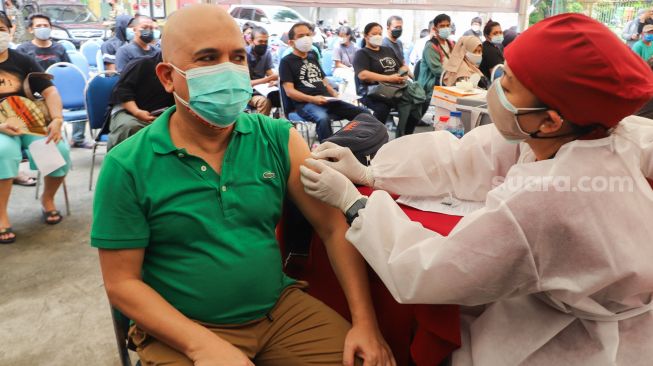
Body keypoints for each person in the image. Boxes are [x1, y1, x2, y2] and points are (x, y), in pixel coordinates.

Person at [301, 13, 653, 366]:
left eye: (510, 84)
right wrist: (372, 173)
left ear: (550, 120)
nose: (496, 88)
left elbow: (431, 271)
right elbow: (464, 158)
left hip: (574, 344)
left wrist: (353, 205)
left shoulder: (546, 200)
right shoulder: (598, 134)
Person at [91, 5, 394, 366]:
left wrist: (365, 324)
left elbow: (331, 227)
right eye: (208, 58)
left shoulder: (278, 139)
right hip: (184, 327)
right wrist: (202, 346)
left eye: (236, 57)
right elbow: (122, 283)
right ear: (168, 77)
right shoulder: (128, 165)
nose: (229, 70)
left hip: (277, 312)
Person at [0, 12, 71, 244]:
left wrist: (57, 119)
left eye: (1, 28)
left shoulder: (22, 60)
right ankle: (1, 215)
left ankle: (47, 199)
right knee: (3, 152)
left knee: (57, 149)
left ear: (10, 31)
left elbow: (49, 91)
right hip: (1, 127)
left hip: (29, 122)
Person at [279, 22, 368, 142]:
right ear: (291, 42)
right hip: (306, 104)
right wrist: (313, 99)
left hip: (328, 100)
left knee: (363, 113)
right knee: (323, 119)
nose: (306, 38)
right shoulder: (286, 62)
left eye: (308, 34)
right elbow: (290, 92)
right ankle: (327, 154)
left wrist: (336, 95)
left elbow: (324, 80)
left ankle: (358, 144)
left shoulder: (312, 56)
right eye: (301, 36)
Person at [353, 22, 423, 137]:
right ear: (366, 36)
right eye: (374, 34)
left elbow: (403, 66)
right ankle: (373, 137)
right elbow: (363, 75)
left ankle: (405, 134)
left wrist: (402, 74)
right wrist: (389, 78)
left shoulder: (387, 50)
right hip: (373, 91)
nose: (378, 36)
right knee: (382, 109)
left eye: (380, 33)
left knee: (417, 101)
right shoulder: (362, 54)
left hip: (395, 87)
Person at [106, 52, 174, 150]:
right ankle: (120, 163)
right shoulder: (141, 63)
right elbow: (121, 92)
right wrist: (137, 111)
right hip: (128, 111)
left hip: (161, 115)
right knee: (130, 127)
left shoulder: (183, 69)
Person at [417, 14, 454, 97]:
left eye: (447, 25)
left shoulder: (450, 44)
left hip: (446, 80)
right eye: (442, 26)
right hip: (432, 84)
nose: (445, 28)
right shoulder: (431, 46)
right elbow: (437, 71)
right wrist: (454, 77)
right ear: (435, 28)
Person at [246, 26, 278, 116]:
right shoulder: (243, 55)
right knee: (264, 102)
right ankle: (260, 128)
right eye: (260, 41)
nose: (263, 44)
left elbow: (269, 73)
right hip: (245, 93)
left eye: (266, 42)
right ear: (251, 41)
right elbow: (246, 83)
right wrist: (268, 79)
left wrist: (274, 81)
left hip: (260, 90)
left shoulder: (266, 53)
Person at [332, 25, 358, 98]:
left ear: (349, 36)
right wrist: (349, 69)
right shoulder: (337, 46)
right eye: (340, 36)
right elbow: (338, 64)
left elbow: (357, 62)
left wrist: (354, 69)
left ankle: (349, 98)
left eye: (342, 36)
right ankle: (352, 99)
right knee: (350, 76)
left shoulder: (355, 47)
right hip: (339, 69)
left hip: (352, 69)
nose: (340, 38)